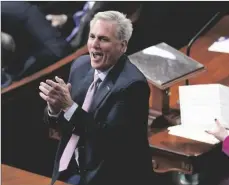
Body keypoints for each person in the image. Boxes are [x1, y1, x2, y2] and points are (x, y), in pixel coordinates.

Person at [39, 11, 154, 185]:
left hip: (112, 177)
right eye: (92, 36)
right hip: (73, 169)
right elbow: (65, 125)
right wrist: (54, 110)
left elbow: (108, 142)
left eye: (104, 39)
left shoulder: (132, 85)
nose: (94, 45)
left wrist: (69, 107)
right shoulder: (80, 66)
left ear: (122, 47)